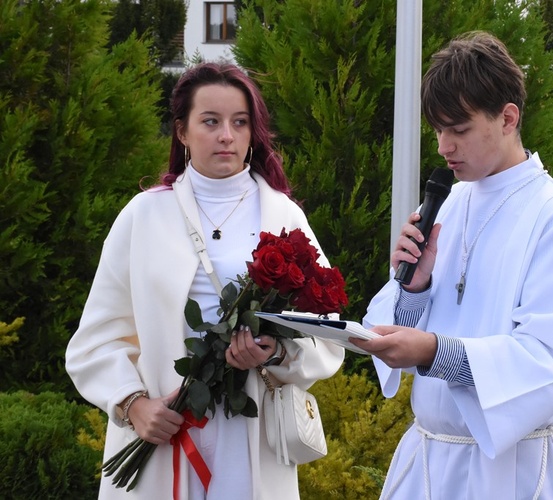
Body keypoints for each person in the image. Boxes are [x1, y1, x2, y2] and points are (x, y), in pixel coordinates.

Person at [350, 32, 553, 499]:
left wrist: (435, 352)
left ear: (508, 118)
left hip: (515, 471)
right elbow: (401, 334)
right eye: (437, 130)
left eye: (458, 129)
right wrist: (413, 288)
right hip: (429, 463)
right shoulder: (448, 205)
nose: (443, 147)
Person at [66, 62, 345, 500]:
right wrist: (133, 405)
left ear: (254, 132)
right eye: (210, 122)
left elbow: (327, 333)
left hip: (249, 436)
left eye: (239, 122)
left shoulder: (284, 216)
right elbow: (95, 340)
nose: (226, 136)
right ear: (181, 131)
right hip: (163, 431)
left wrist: (274, 352)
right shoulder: (143, 216)